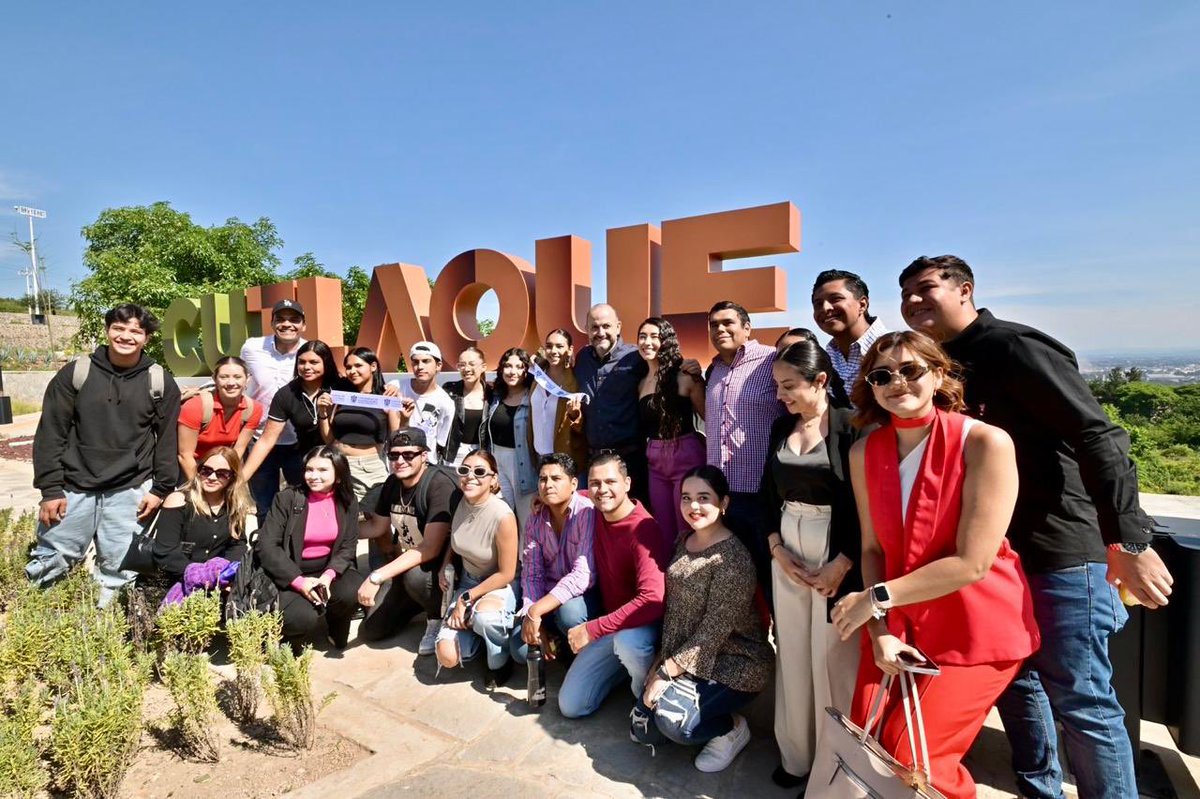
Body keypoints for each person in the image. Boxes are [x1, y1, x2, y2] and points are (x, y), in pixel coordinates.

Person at [898, 254, 1174, 799]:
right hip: (998, 557)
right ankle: (1039, 787)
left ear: (965, 289)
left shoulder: (1013, 347)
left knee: (1082, 702)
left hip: (1062, 551)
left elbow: (1100, 436)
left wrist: (1129, 539)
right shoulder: (942, 363)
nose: (912, 301)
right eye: (904, 293)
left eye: (925, 288)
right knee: (1017, 683)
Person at [827, 331, 1040, 799]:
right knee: (870, 745)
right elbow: (871, 549)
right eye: (882, 375)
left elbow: (973, 562)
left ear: (939, 373)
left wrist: (874, 600)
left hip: (972, 628)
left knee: (912, 759)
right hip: (896, 624)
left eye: (910, 369)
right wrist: (879, 629)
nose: (896, 382)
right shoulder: (866, 450)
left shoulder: (985, 442)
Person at [28, 303, 181, 606]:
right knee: (52, 561)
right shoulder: (77, 372)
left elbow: (166, 441)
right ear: (108, 330)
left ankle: (105, 631)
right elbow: (51, 432)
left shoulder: (159, 381)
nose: (126, 336)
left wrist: (161, 488)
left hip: (130, 490)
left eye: (135, 330)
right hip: (73, 488)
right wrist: (50, 489)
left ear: (146, 337)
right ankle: (42, 625)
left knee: (119, 568)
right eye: (119, 328)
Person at [762, 336, 861, 790]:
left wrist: (843, 562)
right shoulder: (781, 429)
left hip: (833, 548)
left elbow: (865, 507)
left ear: (820, 380)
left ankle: (831, 767)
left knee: (829, 658)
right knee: (793, 654)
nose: (780, 397)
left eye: (788, 386)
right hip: (788, 548)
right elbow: (768, 494)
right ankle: (797, 755)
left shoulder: (851, 426)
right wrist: (777, 550)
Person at [631, 465, 772, 773]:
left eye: (704, 498)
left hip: (734, 662)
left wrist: (666, 673)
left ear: (724, 504)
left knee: (674, 725)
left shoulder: (732, 559)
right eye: (686, 498)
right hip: (688, 656)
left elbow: (712, 631)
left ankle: (731, 729)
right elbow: (676, 613)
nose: (693, 506)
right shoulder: (684, 540)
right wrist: (660, 660)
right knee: (643, 730)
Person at [558, 453, 668, 719]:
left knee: (629, 642)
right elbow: (574, 492)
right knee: (571, 706)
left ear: (627, 483)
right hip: (613, 624)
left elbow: (653, 600)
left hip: (644, 627)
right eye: (595, 483)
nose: (602, 490)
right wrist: (549, 499)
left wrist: (593, 629)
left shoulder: (644, 529)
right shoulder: (593, 510)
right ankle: (623, 671)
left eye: (610, 482)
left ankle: (646, 700)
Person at [703, 300, 785, 601]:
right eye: (714, 325)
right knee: (734, 583)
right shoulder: (713, 370)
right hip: (721, 497)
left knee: (770, 578)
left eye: (728, 323)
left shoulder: (770, 362)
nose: (720, 329)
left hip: (761, 493)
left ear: (747, 328)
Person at [357, 428, 461, 654]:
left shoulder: (438, 484)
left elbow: (430, 549)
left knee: (415, 576)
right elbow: (377, 527)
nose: (400, 461)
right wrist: (335, 532)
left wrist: (377, 576)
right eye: (394, 455)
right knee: (373, 629)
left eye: (408, 455)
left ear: (424, 456)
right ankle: (417, 602)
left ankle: (436, 618)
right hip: (415, 561)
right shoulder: (393, 483)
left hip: (445, 565)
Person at [256, 445, 364, 652]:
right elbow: (267, 546)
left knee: (352, 590)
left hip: (326, 568)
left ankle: (336, 624)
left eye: (323, 470)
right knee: (300, 617)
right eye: (309, 469)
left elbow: (348, 546)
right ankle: (289, 645)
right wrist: (299, 582)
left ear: (339, 475)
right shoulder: (287, 499)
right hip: (291, 570)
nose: (314, 476)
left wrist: (329, 576)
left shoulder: (348, 501)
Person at [434, 450, 519, 688]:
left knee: (486, 617)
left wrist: (466, 599)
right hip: (468, 581)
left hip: (497, 584)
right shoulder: (459, 500)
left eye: (480, 472)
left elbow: (507, 573)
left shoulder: (502, 516)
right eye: (464, 470)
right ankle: (480, 639)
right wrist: (445, 565)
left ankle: (500, 660)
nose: (470, 476)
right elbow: (456, 538)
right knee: (447, 656)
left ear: (494, 480)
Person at [510, 453, 597, 664]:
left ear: (573, 483)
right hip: (547, 598)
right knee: (520, 649)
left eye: (556, 479)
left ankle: (579, 651)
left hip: (582, 597)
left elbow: (582, 575)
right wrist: (534, 615)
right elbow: (532, 573)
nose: (548, 484)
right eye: (543, 479)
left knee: (570, 614)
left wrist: (536, 611)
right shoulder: (535, 519)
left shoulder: (586, 513)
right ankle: (557, 639)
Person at [241, 340, 340, 518]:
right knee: (301, 511)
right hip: (306, 462)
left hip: (338, 460)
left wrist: (392, 389)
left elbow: (371, 393)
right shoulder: (287, 394)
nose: (307, 367)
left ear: (326, 362)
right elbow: (266, 440)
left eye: (314, 362)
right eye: (302, 362)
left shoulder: (341, 387)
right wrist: (241, 479)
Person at [636, 317, 706, 547]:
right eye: (643, 336)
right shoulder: (640, 382)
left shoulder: (684, 374)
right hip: (654, 460)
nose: (647, 342)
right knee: (664, 528)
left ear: (667, 341)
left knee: (688, 525)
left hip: (685, 453)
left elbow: (709, 417)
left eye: (655, 336)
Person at [154, 446, 254, 605]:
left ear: (232, 477)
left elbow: (238, 545)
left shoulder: (235, 507)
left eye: (221, 473)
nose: (212, 477)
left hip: (216, 586)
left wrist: (223, 573)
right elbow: (165, 552)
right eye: (206, 470)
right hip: (174, 581)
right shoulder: (178, 500)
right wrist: (201, 575)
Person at [574, 303, 650, 503]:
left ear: (618, 327)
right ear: (587, 330)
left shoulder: (635, 357)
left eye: (606, 326)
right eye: (595, 327)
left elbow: (663, 370)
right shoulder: (582, 359)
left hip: (630, 460)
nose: (601, 332)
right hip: (594, 461)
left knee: (634, 522)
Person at [241, 298, 308, 519]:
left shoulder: (309, 354)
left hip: (297, 443)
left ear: (303, 325)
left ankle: (296, 551)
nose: (287, 324)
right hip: (259, 439)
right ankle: (265, 552)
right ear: (272, 323)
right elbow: (237, 380)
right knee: (265, 508)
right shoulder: (252, 348)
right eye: (280, 319)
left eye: (294, 320)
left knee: (303, 505)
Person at [318, 347, 400, 513]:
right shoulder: (340, 395)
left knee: (378, 525)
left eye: (358, 366)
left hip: (370, 468)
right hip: (339, 464)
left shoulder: (387, 395)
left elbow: (396, 435)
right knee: (339, 522)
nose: (352, 371)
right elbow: (328, 439)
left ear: (373, 366)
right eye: (348, 367)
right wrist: (322, 412)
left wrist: (402, 413)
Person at [177, 355, 263, 482]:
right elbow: (185, 455)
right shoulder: (195, 406)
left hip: (222, 467)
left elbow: (238, 449)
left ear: (247, 379)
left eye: (237, 377)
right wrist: (200, 487)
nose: (231, 383)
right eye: (224, 377)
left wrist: (226, 478)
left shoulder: (253, 409)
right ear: (214, 379)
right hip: (191, 467)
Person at [479, 347, 538, 530]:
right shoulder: (495, 396)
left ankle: (524, 558)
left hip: (522, 462)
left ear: (527, 370)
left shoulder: (533, 395)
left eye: (519, 367)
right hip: (496, 459)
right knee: (500, 515)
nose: (513, 372)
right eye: (508, 366)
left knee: (525, 517)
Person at [811, 269, 887, 389]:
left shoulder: (895, 349)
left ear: (862, 305)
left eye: (836, 299)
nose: (825, 308)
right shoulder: (825, 359)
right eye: (818, 304)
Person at [529, 329, 587, 469]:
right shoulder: (537, 377)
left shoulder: (575, 382)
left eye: (560, 346)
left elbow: (582, 427)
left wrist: (575, 414)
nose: (553, 351)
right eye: (549, 346)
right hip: (538, 458)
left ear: (569, 349)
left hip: (564, 460)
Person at [391, 341, 455, 464]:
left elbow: (440, 441)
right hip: (398, 462)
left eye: (426, 361)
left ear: (438, 365)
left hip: (427, 464)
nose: (420, 366)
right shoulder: (396, 387)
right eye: (415, 362)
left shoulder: (446, 403)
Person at [443, 347, 492, 468]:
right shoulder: (450, 391)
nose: (466, 369)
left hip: (482, 453)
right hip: (454, 453)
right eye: (462, 365)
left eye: (472, 364)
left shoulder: (492, 394)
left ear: (483, 367)